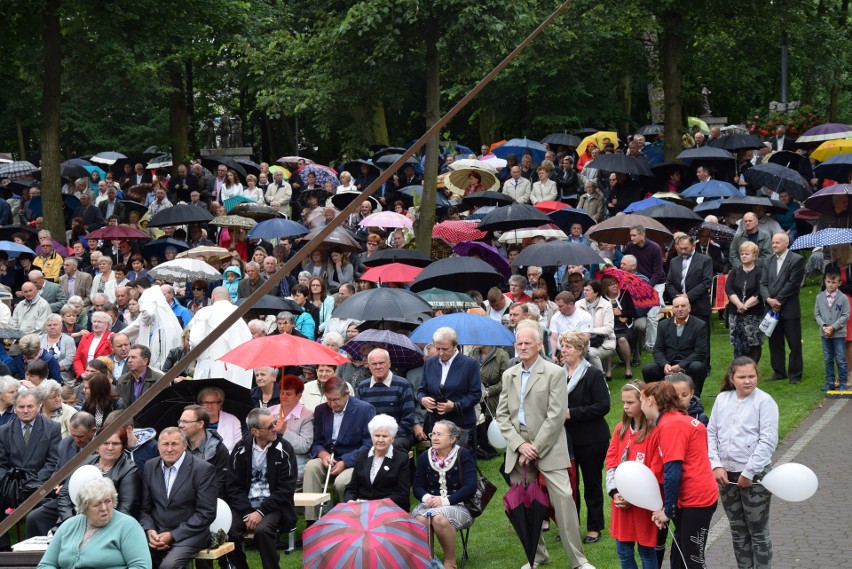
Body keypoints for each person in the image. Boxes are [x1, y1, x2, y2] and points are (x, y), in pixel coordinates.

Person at [496, 327, 594, 569]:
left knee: (564, 500)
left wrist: (534, 447)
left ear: (539, 345)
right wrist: (520, 446)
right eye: (519, 343)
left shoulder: (554, 372)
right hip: (518, 450)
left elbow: (556, 415)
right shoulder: (509, 374)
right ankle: (536, 556)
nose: (522, 347)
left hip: (548, 447)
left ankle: (579, 561)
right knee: (524, 504)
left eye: (528, 343)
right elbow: (502, 416)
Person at [707, 357, 779, 569]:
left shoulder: (765, 402)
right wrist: (716, 464)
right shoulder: (722, 399)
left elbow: (767, 441)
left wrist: (748, 472)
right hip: (726, 476)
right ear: (732, 377)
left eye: (752, 376)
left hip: (754, 477)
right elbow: (711, 433)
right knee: (738, 529)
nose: (748, 381)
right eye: (742, 377)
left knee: (757, 530)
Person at [641, 382, 718, 569]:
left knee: (692, 560)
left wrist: (668, 510)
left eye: (642, 400)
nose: (641, 405)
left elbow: (672, 471)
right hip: (693, 496)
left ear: (651, 401)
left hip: (696, 499)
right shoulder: (675, 419)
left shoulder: (671, 425)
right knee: (679, 556)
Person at [226, 408, 297, 569]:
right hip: (244, 506)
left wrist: (261, 512)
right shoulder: (240, 449)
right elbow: (232, 485)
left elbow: (286, 488)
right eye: (270, 426)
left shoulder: (284, 448)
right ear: (255, 431)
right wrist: (246, 512)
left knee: (263, 531)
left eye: (275, 423)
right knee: (230, 531)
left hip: (273, 506)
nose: (275, 428)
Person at [139, 427, 217, 569]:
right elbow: (145, 508)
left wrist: (172, 535)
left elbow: (206, 513)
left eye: (174, 444)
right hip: (157, 534)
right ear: (158, 446)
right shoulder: (150, 466)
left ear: (185, 446)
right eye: (165, 444)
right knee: (135, 562)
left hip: (191, 534)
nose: (169, 449)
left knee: (168, 566)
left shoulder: (203, 470)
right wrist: (150, 530)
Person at [560, 331, 611, 544]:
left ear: (580, 350)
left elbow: (603, 406)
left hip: (591, 439)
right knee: (567, 486)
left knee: (591, 485)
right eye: (562, 346)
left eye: (568, 347)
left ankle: (594, 527)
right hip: (565, 439)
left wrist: (572, 413)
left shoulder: (592, 374)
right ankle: (571, 527)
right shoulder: (558, 374)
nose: (563, 350)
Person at [605, 380, 661, 569]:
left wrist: (634, 497)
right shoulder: (619, 429)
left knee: (646, 551)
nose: (626, 407)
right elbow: (611, 462)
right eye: (623, 402)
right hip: (621, 502)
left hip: (643, 504)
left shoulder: (654, 432)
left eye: (630, 402)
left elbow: (655, 469)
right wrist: (615, 493)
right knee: (623, 552)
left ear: (644, 402)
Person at [303, 376, 374, 522]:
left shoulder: (365, 409)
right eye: (328, 399)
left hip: (354, 459)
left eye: (336, 399)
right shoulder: (321, 410)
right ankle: (312, 520)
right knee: (310, 467)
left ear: (347, 394)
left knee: (342, 482)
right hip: (329, 457)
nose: (332, 404)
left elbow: (369, 445)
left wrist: (345, 462)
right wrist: (322, 454)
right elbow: (316, 442)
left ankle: (346, 521)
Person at [37, 478, 151, 569]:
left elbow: (141, 566)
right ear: (84, 507)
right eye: (97, 504)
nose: (104, 508)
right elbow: (45, 565)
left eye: (108, 501)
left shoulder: (128, 526)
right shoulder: (68, 526)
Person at [0, 388, 61, 550]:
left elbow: (53, 462)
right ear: (14, 408)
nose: (25, 411)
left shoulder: (52, 428)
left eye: (30, 406)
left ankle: (39, 551)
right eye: (21, 407)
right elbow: (1, 464)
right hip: (11, 487)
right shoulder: (4, 431)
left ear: (39, 406)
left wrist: (32, 483)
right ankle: (4, 550)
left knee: (43, 511)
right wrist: (11, 484)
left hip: (41, 486)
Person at [412, 420, 477, 569]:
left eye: (439, 434)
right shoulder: (424, 457)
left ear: (452, 439)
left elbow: (470, 487)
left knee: (439, 519)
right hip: (429, 504)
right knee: (421, 519)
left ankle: (449, 561)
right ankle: (428, 560)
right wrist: (428, 498)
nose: (434, 437)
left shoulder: (463, 454)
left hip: (459, 505)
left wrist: (445, 501)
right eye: (433, 434)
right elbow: (417, 487)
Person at [54, 428, 140, 527]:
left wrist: (93, 524)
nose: (110, 448)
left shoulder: (129, 469)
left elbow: (126, 507)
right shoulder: (86, 460)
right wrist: (69, 520)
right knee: (35, 517)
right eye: (105, 443)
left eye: (115, 444)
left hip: (106, 523)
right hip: (74, 518)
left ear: (123, 446)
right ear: (98, 445)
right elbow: (65, 494)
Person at [418, 327, 482, 450]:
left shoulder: (469, 364)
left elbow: (475, 395)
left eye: (445, 349)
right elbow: (421, 390)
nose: (441, 353)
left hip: (461, 424)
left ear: (455, 345)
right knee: (439, 463)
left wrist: (454, 406)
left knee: (462, 463)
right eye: (437, 348)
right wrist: (423, 400)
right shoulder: (430, 363)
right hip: (436, 423)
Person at [759, 233, 805, 383]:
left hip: (789, 308)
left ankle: (795, 374)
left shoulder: (796, 260)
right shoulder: (768, 261)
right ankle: (779, 372)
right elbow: (763, 283)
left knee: (794, 343)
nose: (774, 245)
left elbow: (793, 284)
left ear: (786, 244)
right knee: (775, 342)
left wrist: (778, 300)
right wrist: (769, 300)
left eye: (777, 242)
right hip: (772, 309)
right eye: (773, 243)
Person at [642, 295, 709, 396]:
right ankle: (657, 398)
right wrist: (665, 364)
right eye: (677, 307)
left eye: (683, 306)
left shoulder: (700, 325)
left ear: (689, 308)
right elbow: (658, 349)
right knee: (648, 369)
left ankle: (694, 397)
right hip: (668, 363)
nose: (680, 309)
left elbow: (700, 352)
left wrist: (680, 366)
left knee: (697, 367)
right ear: (672, 309)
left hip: (689, 363)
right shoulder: (663, 325)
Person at [343, 414, 411, 512]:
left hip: (389, 509)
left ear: (392, 439)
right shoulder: (362, 455)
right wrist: (350, 500)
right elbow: (352, 487)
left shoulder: (401, 458)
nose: (380, 440)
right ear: (371, 437)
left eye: (385, 436)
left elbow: (401, 494)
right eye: (377, 435)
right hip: (362, 508)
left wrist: (376, 505)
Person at [356, 348, 416, 451]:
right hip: (370, 436)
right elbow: (357, 418)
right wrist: (373, 437)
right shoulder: (362, 387)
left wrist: (386, 437)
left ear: (389, 364)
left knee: (391, 447)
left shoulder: (402, 385)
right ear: (369, 366)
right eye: (374, 364)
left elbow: (408, 419)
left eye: (381, 363)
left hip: (398, 436)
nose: (378, 367)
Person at [725, 241, 765, 362]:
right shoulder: (735, 271)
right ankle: (739, 368)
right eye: (741, 253)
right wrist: (738, 304)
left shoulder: (760, 272)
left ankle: (752, 368)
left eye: (747, 253)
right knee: (738, 341)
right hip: (735, 313)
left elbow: (760, 291)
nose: (743, 256)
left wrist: (746, 306)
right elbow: (729, 288)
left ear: (754, 256)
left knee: (754, 343)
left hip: (753, 314)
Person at [274, 374, 314, 482]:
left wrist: (284, 431)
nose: (283, 396)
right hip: (270, 461)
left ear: (299, 396)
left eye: (288, 394)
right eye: (281, 393)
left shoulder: (307, 415)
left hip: (294, 462)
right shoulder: (269, 412)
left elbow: (304, 446)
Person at [815, 269, 850, 391]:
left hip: (839, 334)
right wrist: (824, 325)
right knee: (828, 358)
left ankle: (843, 383)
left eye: (833, 282)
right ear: (825, 281)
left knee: (840, 358)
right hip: (824, 334)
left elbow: (845, 315)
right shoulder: (819, 297)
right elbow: (817, 314)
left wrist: (833, 327)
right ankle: (830, 382)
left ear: (839, 283)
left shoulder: (843, 298)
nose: (830, 284)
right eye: (828, 281)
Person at [575, 280, 617, 375]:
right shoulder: (578, 304)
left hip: (605, 342)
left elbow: (609, 328)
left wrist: (590, 331)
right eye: (584, 289)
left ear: (596, 292)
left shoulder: (606, 305)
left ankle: (601, 380)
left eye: (588, 290)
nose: (584, 292)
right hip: (582, 342)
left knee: (590, 353)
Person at [197, 386, 243, 453]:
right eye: (206, 402)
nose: (209, 406)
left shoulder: (233, 420)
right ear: (201, 404)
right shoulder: (193, 420)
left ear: (220, 404)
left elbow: (238, 448)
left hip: (226, 461)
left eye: (213, 402)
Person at [73, 311, 114, 378]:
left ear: (107, 325)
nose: (95, 324)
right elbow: (77, 359)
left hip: (102, 377)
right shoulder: (85, 337)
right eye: (94, 321)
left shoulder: (111, 337)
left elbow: (112, 361)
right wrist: (82, 374)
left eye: (99, 322)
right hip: (84, 376)